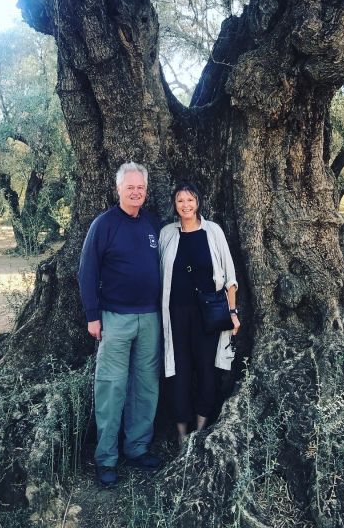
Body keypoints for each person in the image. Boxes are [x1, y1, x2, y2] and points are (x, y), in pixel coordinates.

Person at [78, 162, 162, 487]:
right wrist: (92, 315)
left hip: (151, 318)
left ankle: (137, 448)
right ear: (119, 189)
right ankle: (106, 459)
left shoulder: (152, 224)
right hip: (114, 318)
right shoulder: (104, 225)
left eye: (140, 187)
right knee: (111, 387)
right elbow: (87, 272)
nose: (136, 192)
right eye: (130, 187)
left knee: (146, 386)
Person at [159, 181, 239, 446]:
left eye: (190, 200)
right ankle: (182, 433)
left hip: (209, 315)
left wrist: (233, 311)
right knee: (179, 371)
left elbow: (229, 276)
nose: (186, 205)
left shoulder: (213, 231)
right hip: (176, 315)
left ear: (198, 203)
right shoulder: (167, 234)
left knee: (207, 370)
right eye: (180, 201)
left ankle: (201, 428)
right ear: (174, 204)